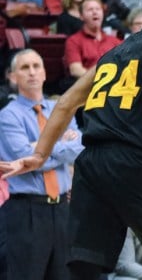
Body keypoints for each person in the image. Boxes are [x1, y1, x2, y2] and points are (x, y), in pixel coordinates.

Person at [0, 0, 142, 279]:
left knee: (86, 264)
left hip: (92, 164)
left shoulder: (114, 54)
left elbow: (68, 101)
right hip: (137, 160)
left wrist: (40, 155)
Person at [0, 49, 84, 279]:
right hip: (27, 211)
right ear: (13, 77)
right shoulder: (7, 116)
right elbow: (26, 158)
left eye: (37, 66)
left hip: (62, 208)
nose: (32, 72)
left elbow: (78, 150)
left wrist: (41, 147)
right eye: (25, 68)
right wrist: (58, 141)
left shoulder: (61, 109)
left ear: (45, 73)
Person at [64, 0, 123, 79]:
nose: (95, 12)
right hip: (87, 88)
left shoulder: (115, 41)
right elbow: (76, 70)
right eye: (90, 10)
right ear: (81, 16)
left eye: (98, 9)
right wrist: (101, 79)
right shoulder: (73, 41)